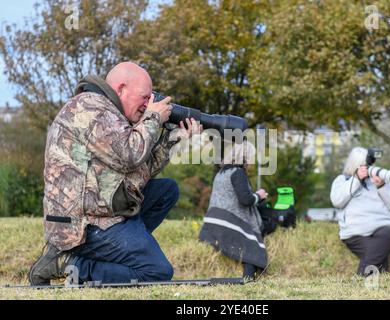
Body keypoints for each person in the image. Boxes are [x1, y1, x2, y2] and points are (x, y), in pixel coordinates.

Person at [29, 62, 202, 285]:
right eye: (145, 97)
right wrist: (153, 118)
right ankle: (72, 264)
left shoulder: (110, 113)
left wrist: (174, 138)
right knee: (157, 272)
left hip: (101, 209)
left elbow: (138, 169)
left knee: (166, 190)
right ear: (121, 89)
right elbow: (129, 155)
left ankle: (120, 254)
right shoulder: (91, 109)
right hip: (82, 225)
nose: (148, 104)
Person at [199, 141, 275, 280]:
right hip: (226, 221)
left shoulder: (221, 173)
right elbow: (246, 200)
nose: (251, 162)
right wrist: (260, 195)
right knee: (253, 244)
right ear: (245, 157)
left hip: (212, 219)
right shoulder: (237, 173)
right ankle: (248, 278)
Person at [330, 147, 390, 276]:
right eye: (363, 165)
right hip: (355, 232)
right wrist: (356, 179)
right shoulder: (342, 180)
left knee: (388, 233)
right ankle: (369, 282)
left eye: (369, 164)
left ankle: (361, 279)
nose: (367, 168)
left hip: (382, 227)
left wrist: (382, 186)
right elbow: (337, 201)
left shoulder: (378, 178)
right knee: (380, 260)